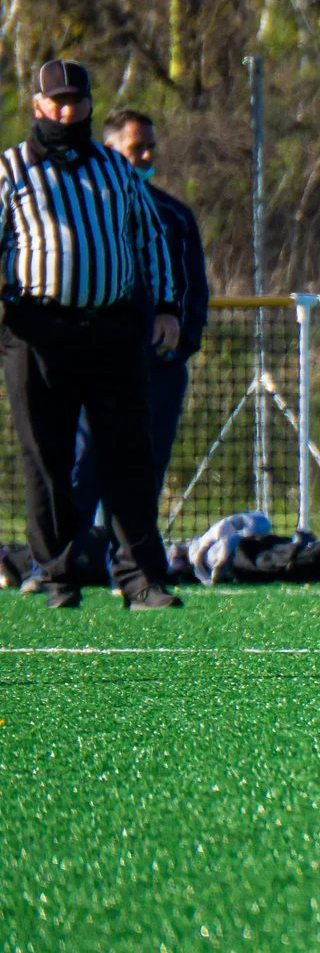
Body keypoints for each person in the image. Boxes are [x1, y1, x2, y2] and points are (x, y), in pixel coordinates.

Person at [0, 60, 185, 610]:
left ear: (88, 104)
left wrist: (167, 307)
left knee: (129, 452)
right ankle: (56, 575)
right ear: (38, 105)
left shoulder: (114, 168)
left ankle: (141, 578)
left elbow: (151, 238)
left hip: (111, 328)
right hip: (37, 330)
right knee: (47, 456)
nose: (65, 110)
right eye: (55, 101)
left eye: (75, 101)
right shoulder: (12, 170)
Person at [67, 109, 209, 596]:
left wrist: (176, 349)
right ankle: (60, 565)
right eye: (135, 148)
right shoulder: (81, 213)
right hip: (98, 365)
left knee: (144, 469)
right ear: (110, 153)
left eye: (150, 146)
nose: (146, 155)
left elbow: (192, 294)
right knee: (82, 465)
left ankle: (133, 569)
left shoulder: (172, 215)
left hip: (158, 372)